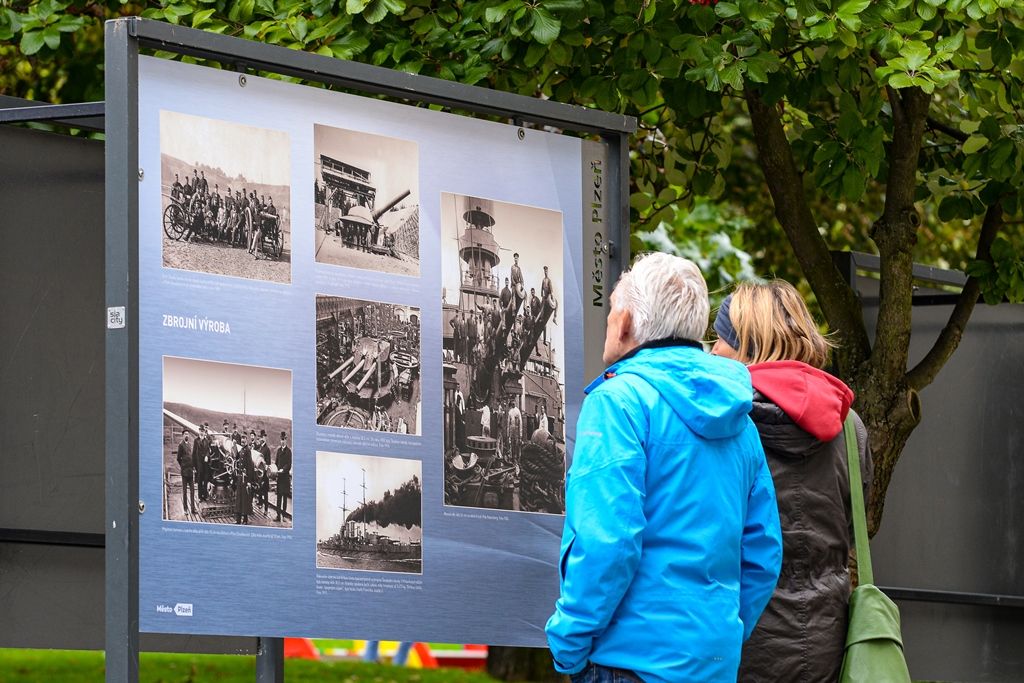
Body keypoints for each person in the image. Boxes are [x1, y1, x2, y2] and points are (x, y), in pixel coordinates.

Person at [545, 252, 783, 682]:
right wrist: (717, 636)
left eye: (613, 309)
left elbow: (606, 541)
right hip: (711, 666)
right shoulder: (740, 420)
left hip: (626, 662)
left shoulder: (617, 403)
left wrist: (568, 644)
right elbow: (763, 553)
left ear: (626, 322)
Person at [709, 280, 873, 683]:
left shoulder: (722, 425)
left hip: (739, 643)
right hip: (826, 646)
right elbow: (852, 529)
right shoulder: (849, 428)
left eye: (720, 339)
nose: (712, 350)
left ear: (749, 345)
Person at [176, 431, 196, 514]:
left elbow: (191, 457)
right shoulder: (181, 445)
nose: (186, 435)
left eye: (187, 434)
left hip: (190, 472)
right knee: (184, 492)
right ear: (182, 436)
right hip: (184, 472)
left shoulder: (190, 444)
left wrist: (193, 467)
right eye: (185, 434)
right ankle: (185, 509)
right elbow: (178, 458)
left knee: (192, 491)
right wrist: (183, 466)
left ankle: (193, 509)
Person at [275, 431, 292, 522]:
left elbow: (289, 464)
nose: (282, 442)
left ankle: (284, 516)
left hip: (285, 478)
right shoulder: (278, 451)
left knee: (285, 497)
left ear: (286, 440)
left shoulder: (289, 451)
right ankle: (278, 515)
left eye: (283, 440)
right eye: (281, 440)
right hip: (279, 478)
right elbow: (276, 462)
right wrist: (275, 469)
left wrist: (283, 469)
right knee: (279, 497)